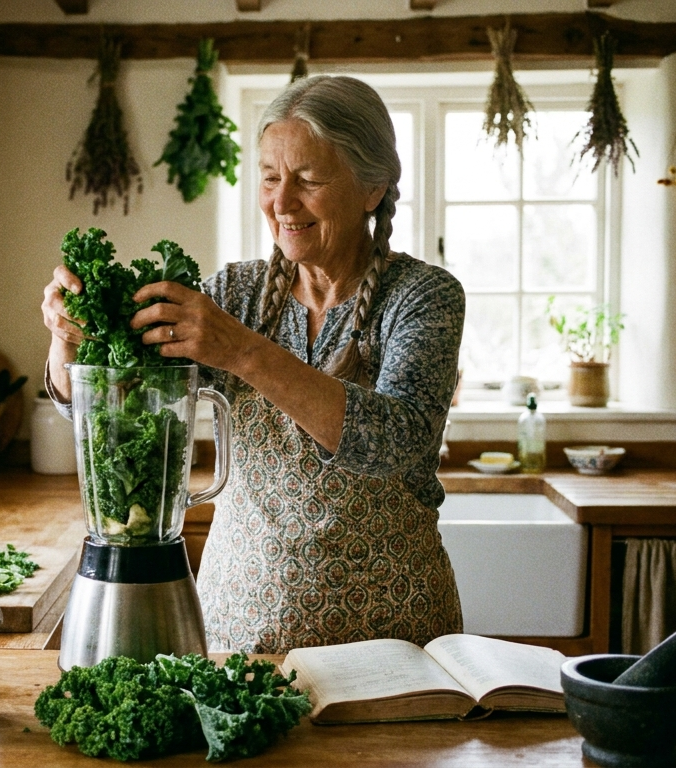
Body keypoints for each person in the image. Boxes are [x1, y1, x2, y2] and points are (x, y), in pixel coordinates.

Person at [40, 75, 464, 654]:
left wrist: (241, 350)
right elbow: (117, 408)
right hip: (241, 629)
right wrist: (69, 340)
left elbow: (397, 442)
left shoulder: (424, 297)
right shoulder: (233, 294)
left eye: (309, 180)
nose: (281, 202)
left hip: (396, 645)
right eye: (269, 178)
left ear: (373, 188)